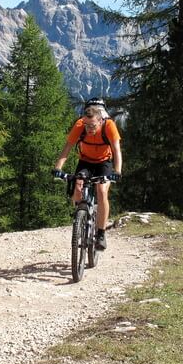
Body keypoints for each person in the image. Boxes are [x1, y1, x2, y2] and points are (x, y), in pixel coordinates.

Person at [52, 98, 122, 250]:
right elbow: (67, 147)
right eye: (86, 125)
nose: (89, 129)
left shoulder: (109, 125)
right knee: (77, 185)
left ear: (100, 120)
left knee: (102, 191)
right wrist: (58, 168)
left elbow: (116, 150)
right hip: (85, 161)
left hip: (104, 162)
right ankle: (80, 216)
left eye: (93, 126)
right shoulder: (80, 125)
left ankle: (101, 234)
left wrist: (117, 171)